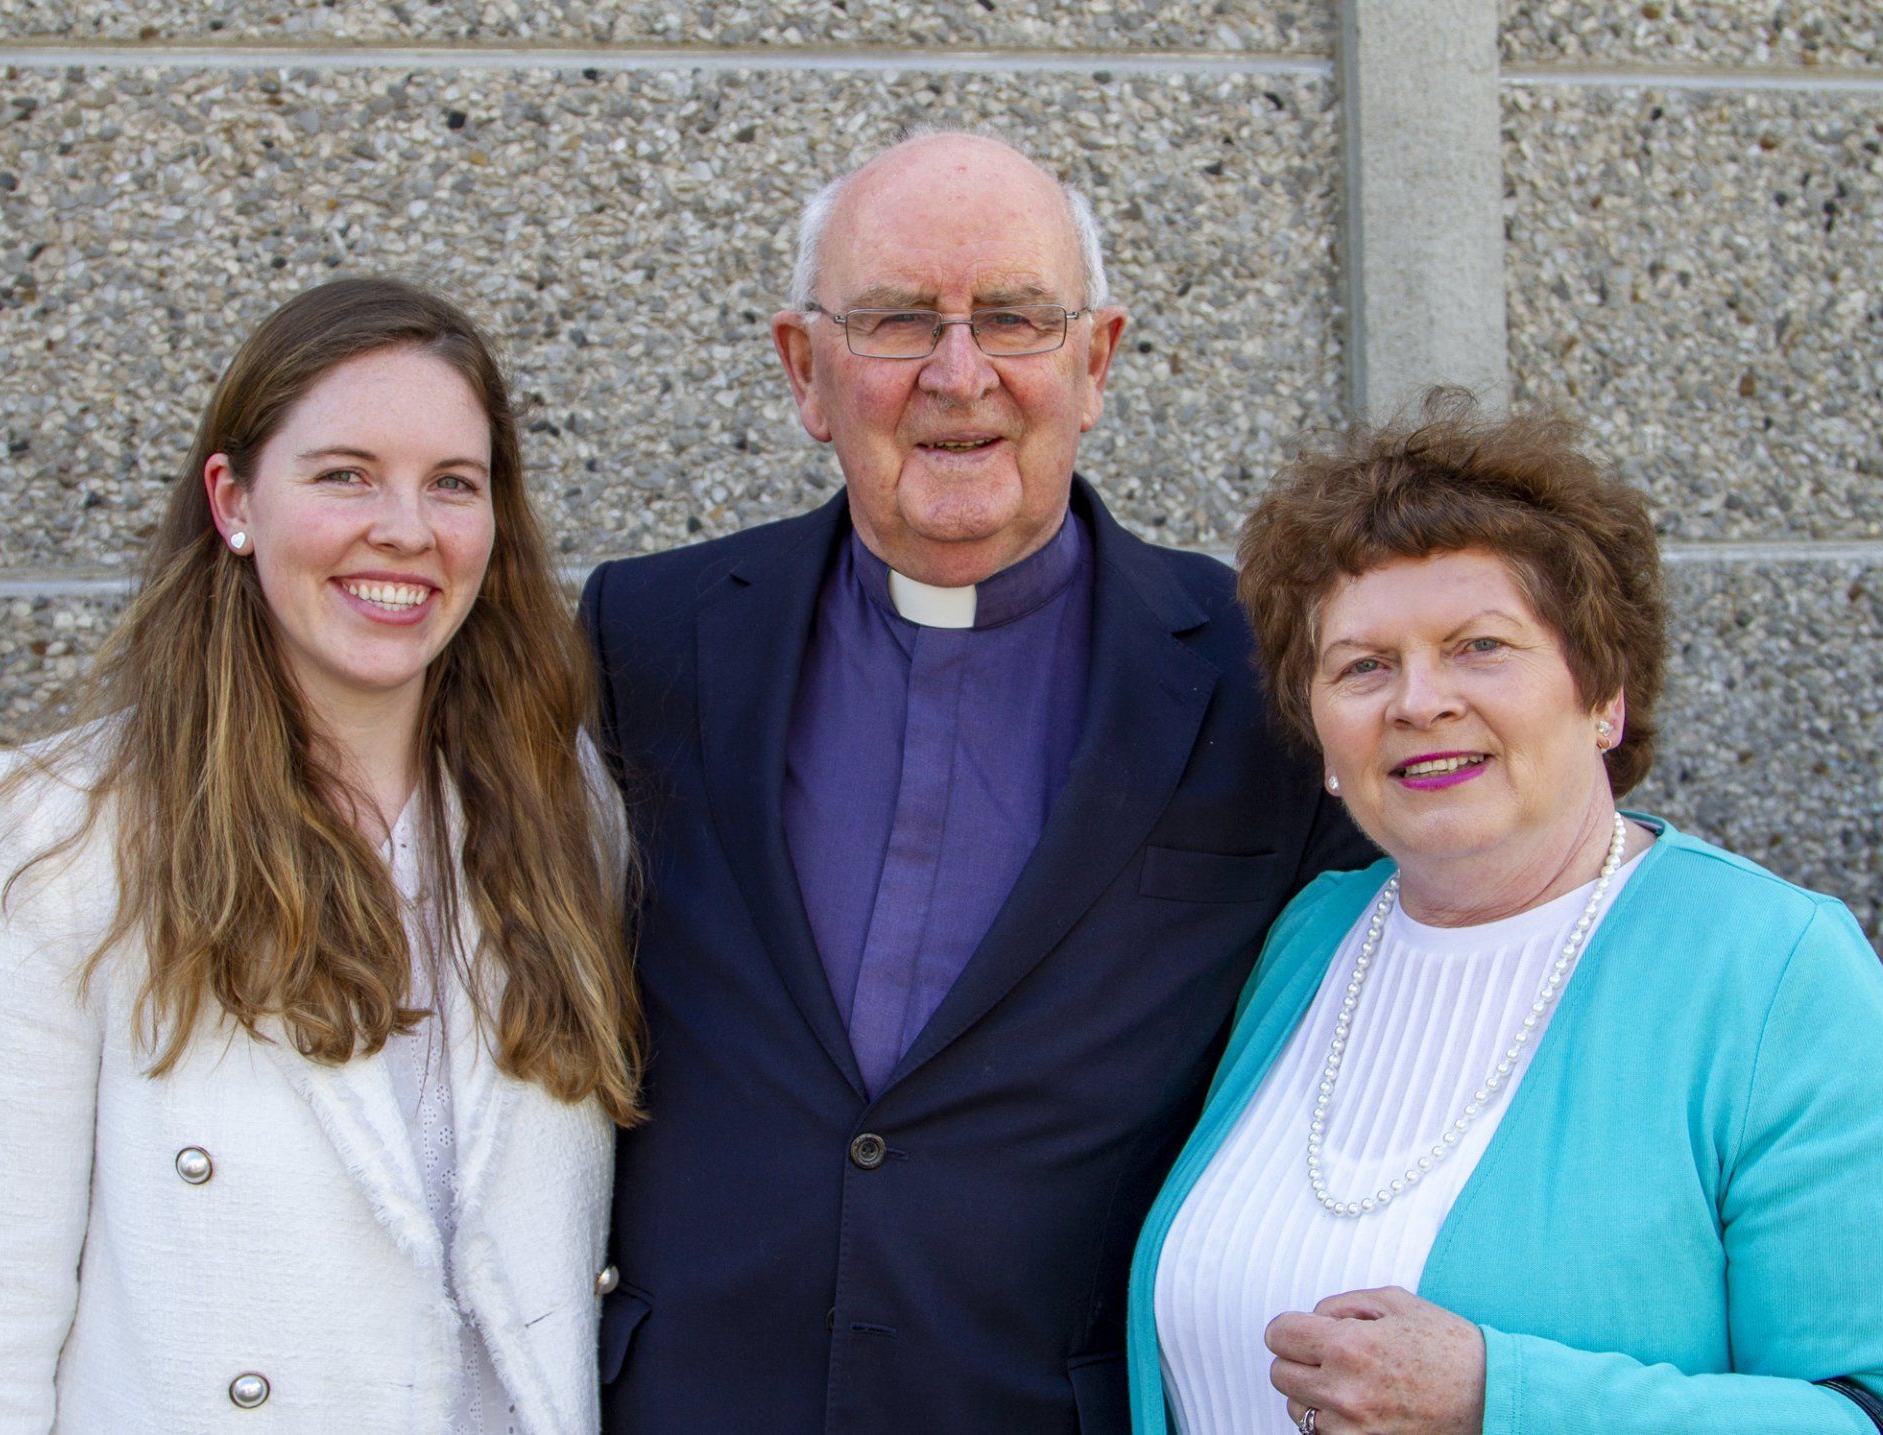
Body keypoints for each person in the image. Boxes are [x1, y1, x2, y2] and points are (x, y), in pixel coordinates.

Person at [580, 130, 1374, 1434]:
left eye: (1012, 317)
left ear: (1095, 359)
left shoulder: (1264, 671)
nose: (960, 375)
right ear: (806, 370)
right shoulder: (649, 635)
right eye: (897, 321)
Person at [1125, 394, 1883, 1435]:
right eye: (1364, 665)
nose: (1419, 700)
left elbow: (1860, 1409)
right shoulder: (1311, 936)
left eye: (1480, 646)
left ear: (1603, 689)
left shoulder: (1771, 972)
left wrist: (1502, 1400)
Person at [0, 277, 643, 1434]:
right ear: (233, 499)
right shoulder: (53, 834)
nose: (406, 529)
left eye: (453, 485)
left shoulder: (564, 809)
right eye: (345, 474)